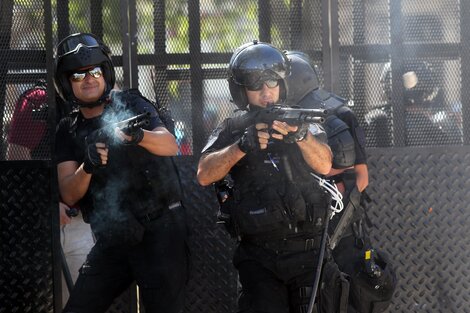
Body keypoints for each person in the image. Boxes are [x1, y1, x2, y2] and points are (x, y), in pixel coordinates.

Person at [197, 40, 336, 313]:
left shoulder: (301, 119)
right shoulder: (233, 127)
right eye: (255, 85)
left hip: (308, 253)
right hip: (258, 258)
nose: (265, 92)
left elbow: (324, 164)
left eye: (272, 83)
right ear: (241, 90)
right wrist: (241, 146)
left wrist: (300, 136)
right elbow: (203, 174)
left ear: (283, 84)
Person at [54, 32, 188, 313]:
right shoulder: (68, 130)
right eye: (78, 75)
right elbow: (68, 192)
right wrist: (87, 166)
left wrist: (136, 136)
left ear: (104, 73)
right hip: (114, 237)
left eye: (93, 71)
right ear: (67, 84)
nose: (88, 79)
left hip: (160, 231)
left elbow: (169, 145)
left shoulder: (132, 104)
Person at [284, 51, 396, 313]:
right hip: (296, 237)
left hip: (340, 231)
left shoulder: (340, 114)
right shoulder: (277, 119)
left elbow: (360, 178)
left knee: (343, 298)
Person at [5, 80, 94, 306]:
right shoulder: (37, 99)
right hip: (40, 222)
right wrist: (46, 203)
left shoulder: (102, 98)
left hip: (85, 221)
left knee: (81, 302)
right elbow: (17, 161)